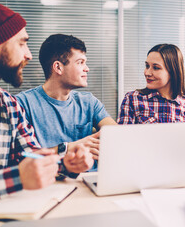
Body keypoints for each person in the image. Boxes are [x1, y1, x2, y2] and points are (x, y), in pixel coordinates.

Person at [0, 2, 94, 203]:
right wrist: (17, 178)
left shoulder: (9, 106)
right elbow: (19, 175)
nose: (29, 55)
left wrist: (65, 163)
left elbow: (29, 157)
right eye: (22, 43)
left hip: (4, 214)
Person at [16, 34, 116, 170]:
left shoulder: (89, 102)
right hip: (46, 180)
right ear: (58, 67)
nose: (87, 68)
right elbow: (26, 157)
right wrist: (68, 148)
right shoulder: (22, 104)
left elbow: (116, 134)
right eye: (80, 62)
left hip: (88, 178)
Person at [117, 44, 185, 124]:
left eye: (156, 68)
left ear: (173, 72)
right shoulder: (132, 99)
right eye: (147, 66)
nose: (147, 73)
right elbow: (123, 135)